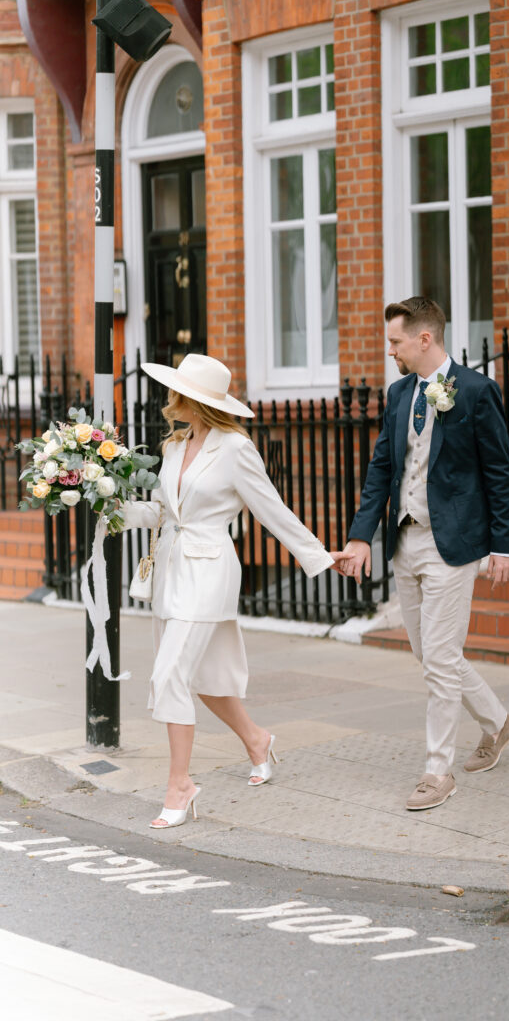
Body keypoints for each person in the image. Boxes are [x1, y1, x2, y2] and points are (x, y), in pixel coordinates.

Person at [120, 354, 349, 829]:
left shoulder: (235, 448)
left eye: (178, 388)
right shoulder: (175, 445)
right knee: (200, 679)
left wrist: (321, 556)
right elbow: (163, 512)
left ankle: (180, 784)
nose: (169, 396)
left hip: (209, 574)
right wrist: (109, 506)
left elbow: (272, 510)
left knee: (168, 677)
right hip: (171, 573)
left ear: (194, 398)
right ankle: (256, 740)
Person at [341, 297, 509, 811]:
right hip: (405, 540)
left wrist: (504, 545)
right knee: (428, 654)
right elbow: (382, 469)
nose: (390, 350)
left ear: (425, 339)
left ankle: (437, 770)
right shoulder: (399, 394)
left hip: (454, 544)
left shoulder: (476, 391)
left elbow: (499, 473)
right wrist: (361, 536)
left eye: (396, 341)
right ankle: (499, 722)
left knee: (440, 659)